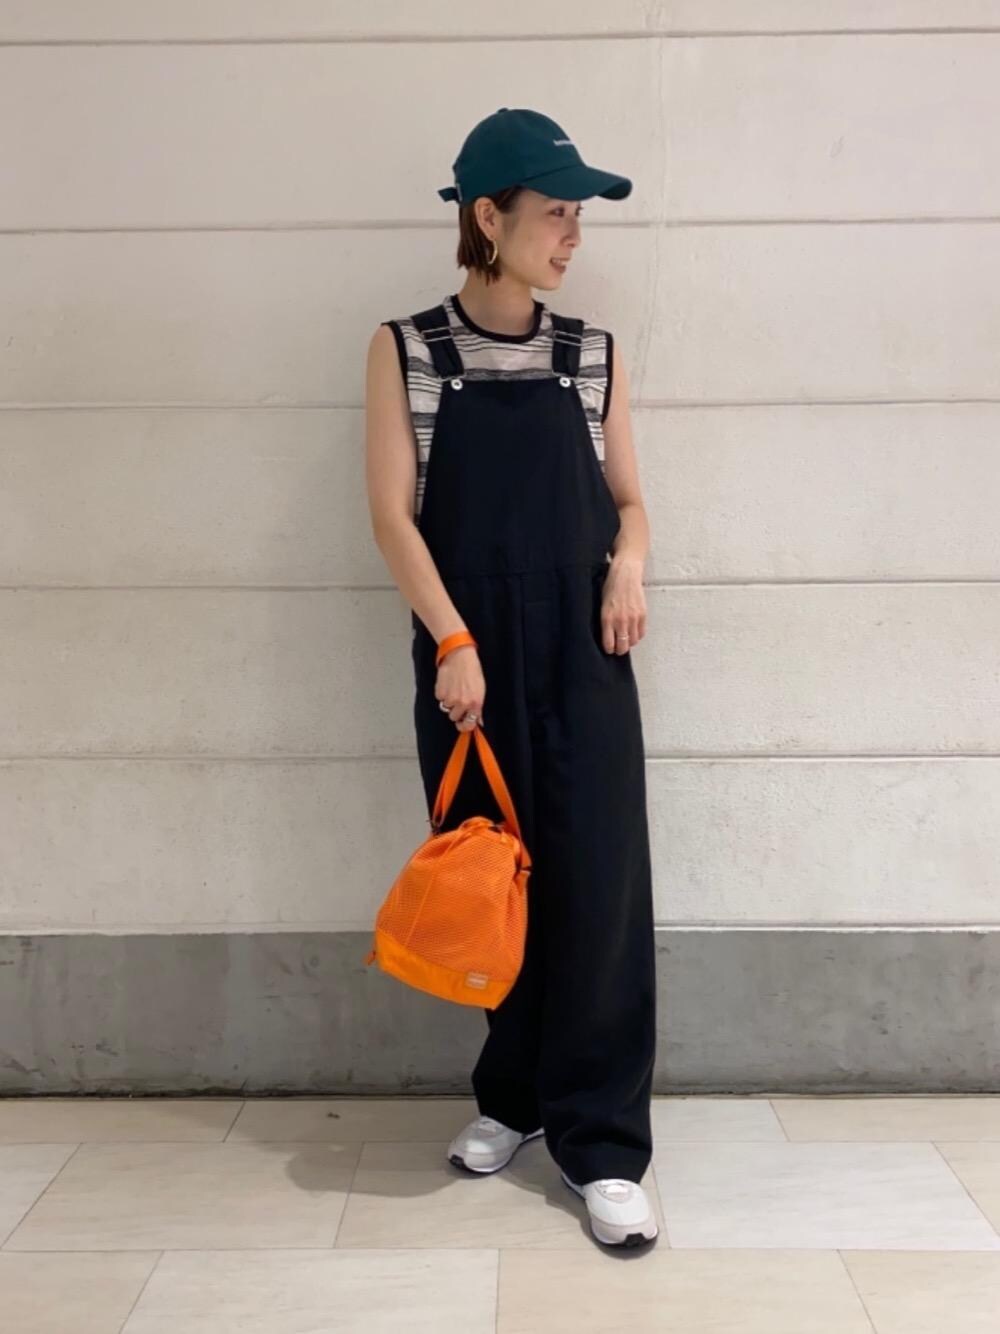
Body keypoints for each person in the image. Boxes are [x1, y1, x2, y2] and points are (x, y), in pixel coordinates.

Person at [364, 108, 658, 1249]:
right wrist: (452, 640)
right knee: (493, 879)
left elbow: (628, 501)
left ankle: (604, 1144)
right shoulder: (405, 349)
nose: (574, 235)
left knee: (597, 886)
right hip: (467, 662)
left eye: (579, 215)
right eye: (557, 213)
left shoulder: (593, 354)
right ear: (488, 218)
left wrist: (628, 562)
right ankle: (516, 1097)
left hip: (585, 656)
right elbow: (393, 518)